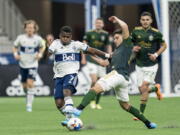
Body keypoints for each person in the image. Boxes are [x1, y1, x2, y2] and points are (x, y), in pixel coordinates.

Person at [73, 16, 157, 129]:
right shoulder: (116, 52)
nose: (115, 39)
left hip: (118, 74)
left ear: (123, 37)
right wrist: (91, 55)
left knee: (94, 88)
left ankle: (77, 110)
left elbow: (125, 26)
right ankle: (149, 123)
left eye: (117, 37)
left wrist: (116, 19)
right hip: (123, 80)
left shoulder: (127, 44)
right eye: (114, 38)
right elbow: (104, 63)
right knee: (125, 105)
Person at [48, 26, 111, 126]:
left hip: (71, 74)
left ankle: (70, 110)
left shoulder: (76, 44)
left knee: (66, 91)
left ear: (71, 37)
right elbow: (48, 54)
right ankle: (70, 119)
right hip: (58, 76)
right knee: (59, 103)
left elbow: (92, 50)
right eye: (63, 36)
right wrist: (49, 45)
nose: (65, 38)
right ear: (60, 36)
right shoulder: (55, 43)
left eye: (67, 37)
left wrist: (107, 55)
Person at [131, 11, 167, 120]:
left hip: (151, 65)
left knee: (144, 87)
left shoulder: (156, 33)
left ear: (151, 21)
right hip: (139, 64)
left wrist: (156, 54)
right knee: (141, 90)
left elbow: (164, 45)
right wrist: (133, 48)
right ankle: (155, 88)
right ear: (140, 21)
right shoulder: (136, 31)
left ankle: (140, 114)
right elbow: (130, 42)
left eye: (147, 20)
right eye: (143, 20)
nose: (145, 22)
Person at [13, 20, 45, 112]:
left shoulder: (38, 39)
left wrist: (40, 54)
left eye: (31, 28)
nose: (30, 29)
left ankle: (29, 105)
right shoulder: (20, 38)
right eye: (28, 28)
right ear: (25, 29)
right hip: (23, 64)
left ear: (35, 29)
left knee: (30, 83)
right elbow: (14, 46)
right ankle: (28, 95)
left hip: (33, 64)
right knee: (24, 86)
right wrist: (15, 54)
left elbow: (43, 46)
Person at [83, 18, 112, 109]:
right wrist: (83, 58)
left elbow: (108, 46)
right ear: (94, 24)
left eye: (100, 23)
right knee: (94, 81)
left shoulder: (106, 34)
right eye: (97, 23)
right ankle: (91, 101)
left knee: (101, 82)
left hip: (102, 61)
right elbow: (84, 46)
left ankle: (97, 102)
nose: (98, 24)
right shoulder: (89, 33)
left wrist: (110, 58)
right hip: (91, 59)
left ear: (103, 24)